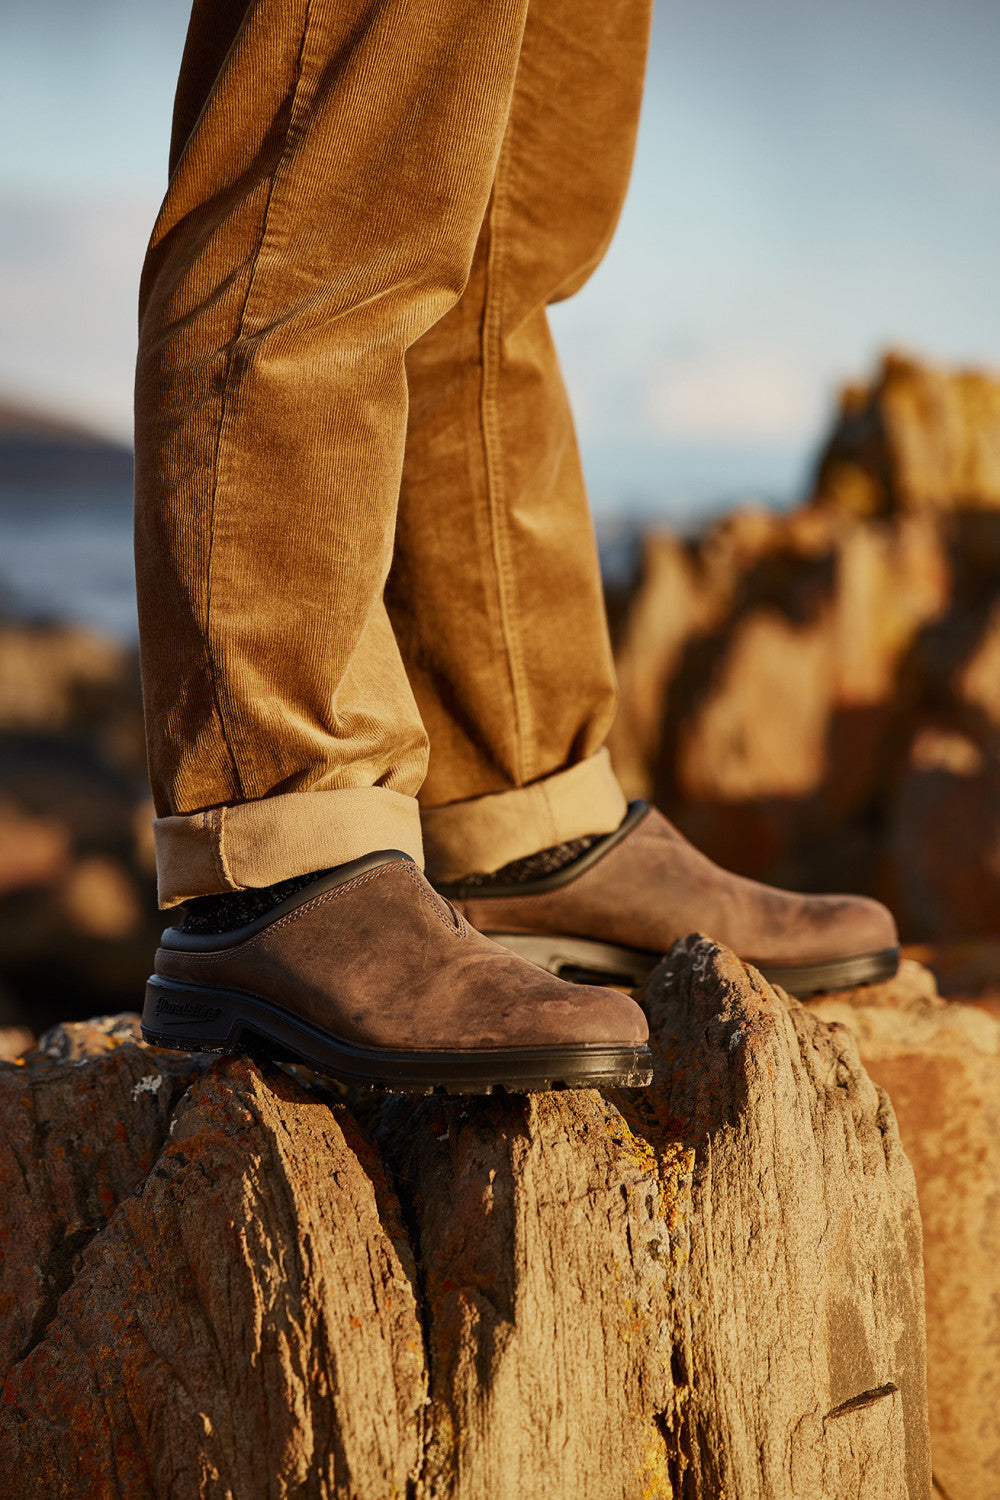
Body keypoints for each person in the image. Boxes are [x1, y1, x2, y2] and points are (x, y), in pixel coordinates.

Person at [135, 0, 898, 1093]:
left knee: (501, 253)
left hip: (520, 778)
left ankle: (523, 822)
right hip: (272, 845)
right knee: (325, 186)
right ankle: (281, 851)